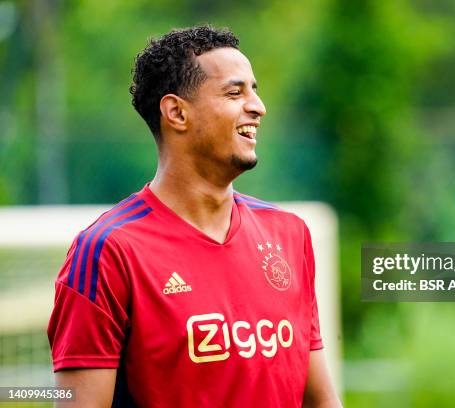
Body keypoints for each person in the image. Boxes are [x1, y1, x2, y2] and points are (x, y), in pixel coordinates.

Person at [47, 25, 341, 408]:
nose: (257, 106)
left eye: (255, 90)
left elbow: (320, 400)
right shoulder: (107, 251)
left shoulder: (288, 234)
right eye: (235, 92)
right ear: (176, 113)